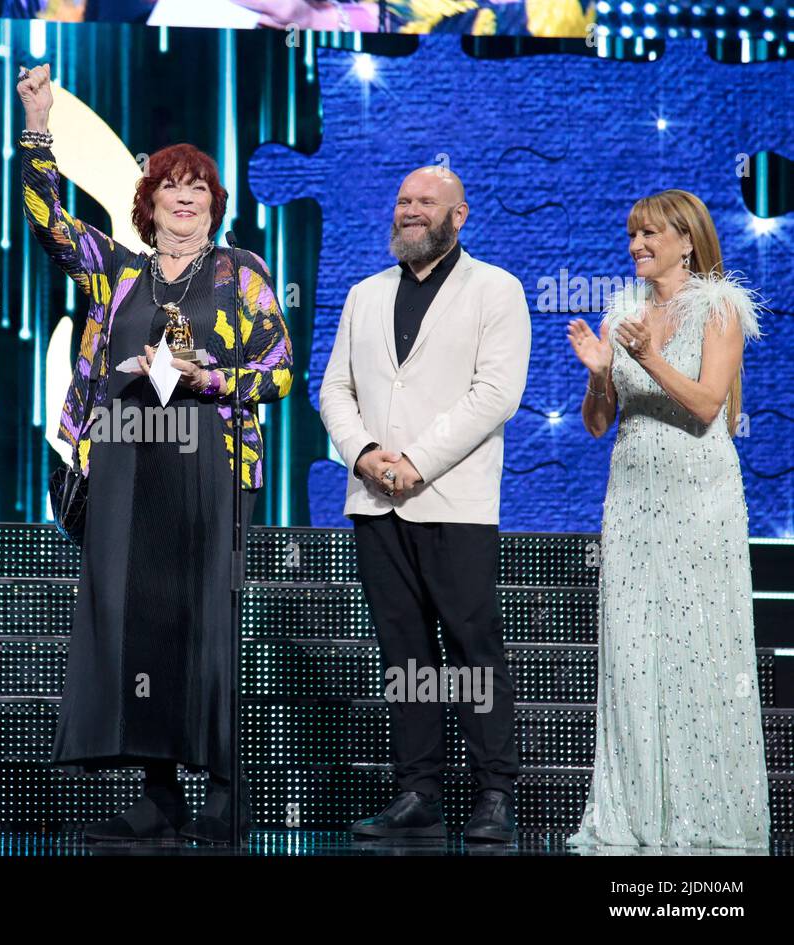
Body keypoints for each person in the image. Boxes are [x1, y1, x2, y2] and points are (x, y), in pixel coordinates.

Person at [17, 64, 293, 843]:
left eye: (198, 187)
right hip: (128, 468)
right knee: (140, 625)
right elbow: (46, 220)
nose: (184, 196)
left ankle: (224, 792)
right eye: (171, 185)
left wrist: (210, 376)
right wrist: (38, 123)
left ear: (214, 204)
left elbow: (279, 371)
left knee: (207, 624)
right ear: (148, 202)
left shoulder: (242, 274)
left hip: (211, 467)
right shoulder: (118, 272)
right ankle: (159, 791)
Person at [319, 166, 530, 843]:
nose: (411, 211)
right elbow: (334, 391)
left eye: (426, 202)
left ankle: (495, 790)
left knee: (472, 648)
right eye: (403, 201)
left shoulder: (496, 289)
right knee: (404, 653)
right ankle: (419, 788)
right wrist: (368, 453)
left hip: (454, 501)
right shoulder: (364, 294)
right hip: (376, 501)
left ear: (458, 215)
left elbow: (495, 394)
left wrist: (415, 461)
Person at [566, 190, 769, 848]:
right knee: (633, 654)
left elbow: (709, 404)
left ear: (686, 240)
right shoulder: (625, 314)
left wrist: (650, 358)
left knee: (699, 652)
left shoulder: (721, 308)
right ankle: (636, 816)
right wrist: (601, 374)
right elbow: (599, 425)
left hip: (700, 502)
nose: (635, 246)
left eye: (649, 234)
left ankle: (708, 817)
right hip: (632, 500)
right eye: (631, 235)